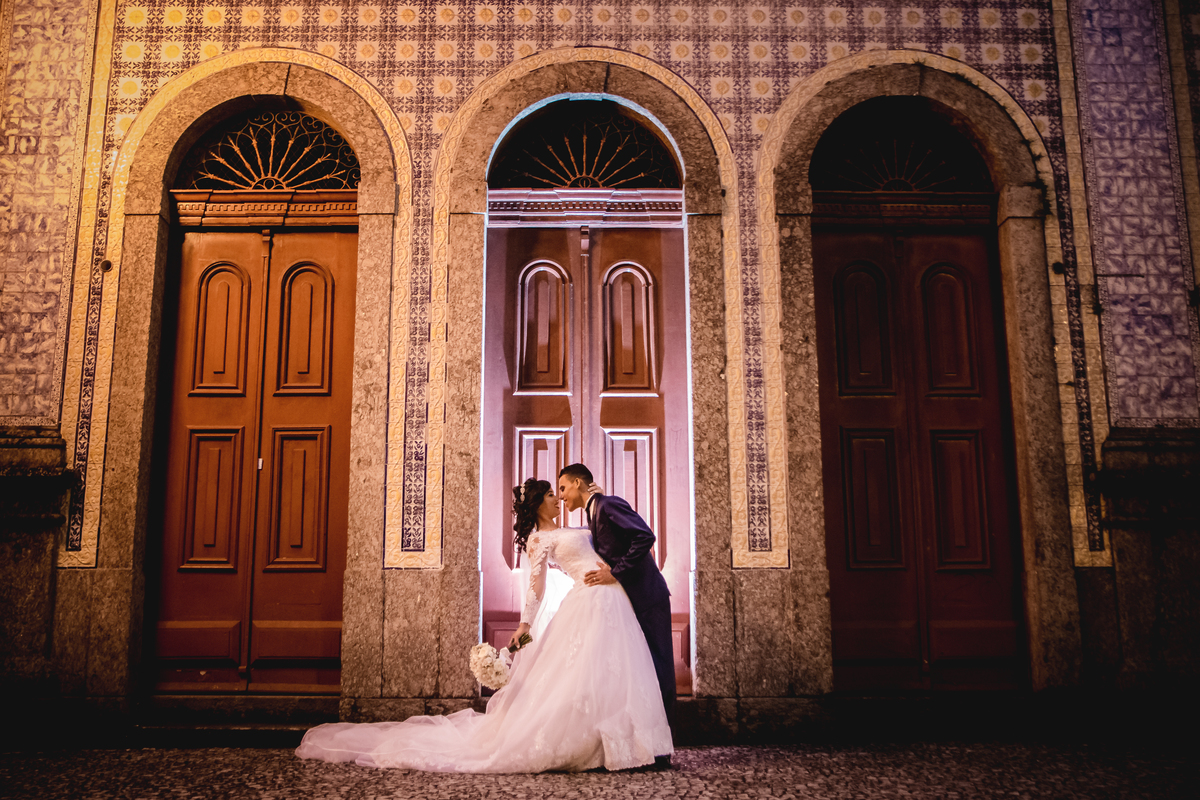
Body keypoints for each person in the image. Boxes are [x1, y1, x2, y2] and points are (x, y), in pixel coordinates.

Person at [294, 478, 672, 773]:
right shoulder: (540, 540)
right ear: (537, 503)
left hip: (609, 598)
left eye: (560, 491)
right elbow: (536, 588)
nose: (558, 498)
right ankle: (592, 744)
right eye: (551, 495)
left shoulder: (582, 522)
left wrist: (596, 498)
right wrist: (525, 625)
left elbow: (607, 538)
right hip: (588, 599)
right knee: (588, 671)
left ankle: (620, 742)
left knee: (612, 670)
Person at [557, 463, 675, 769]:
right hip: (628, 602)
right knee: (641, 670)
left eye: (563, 488)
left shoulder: (608, 505)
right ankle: (645, 744)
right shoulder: (593, 513)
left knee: (659, 668)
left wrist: (616, 573)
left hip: (648, 598)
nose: (561, 496)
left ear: (579, 483)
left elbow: (644, 536)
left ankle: (662, 750)